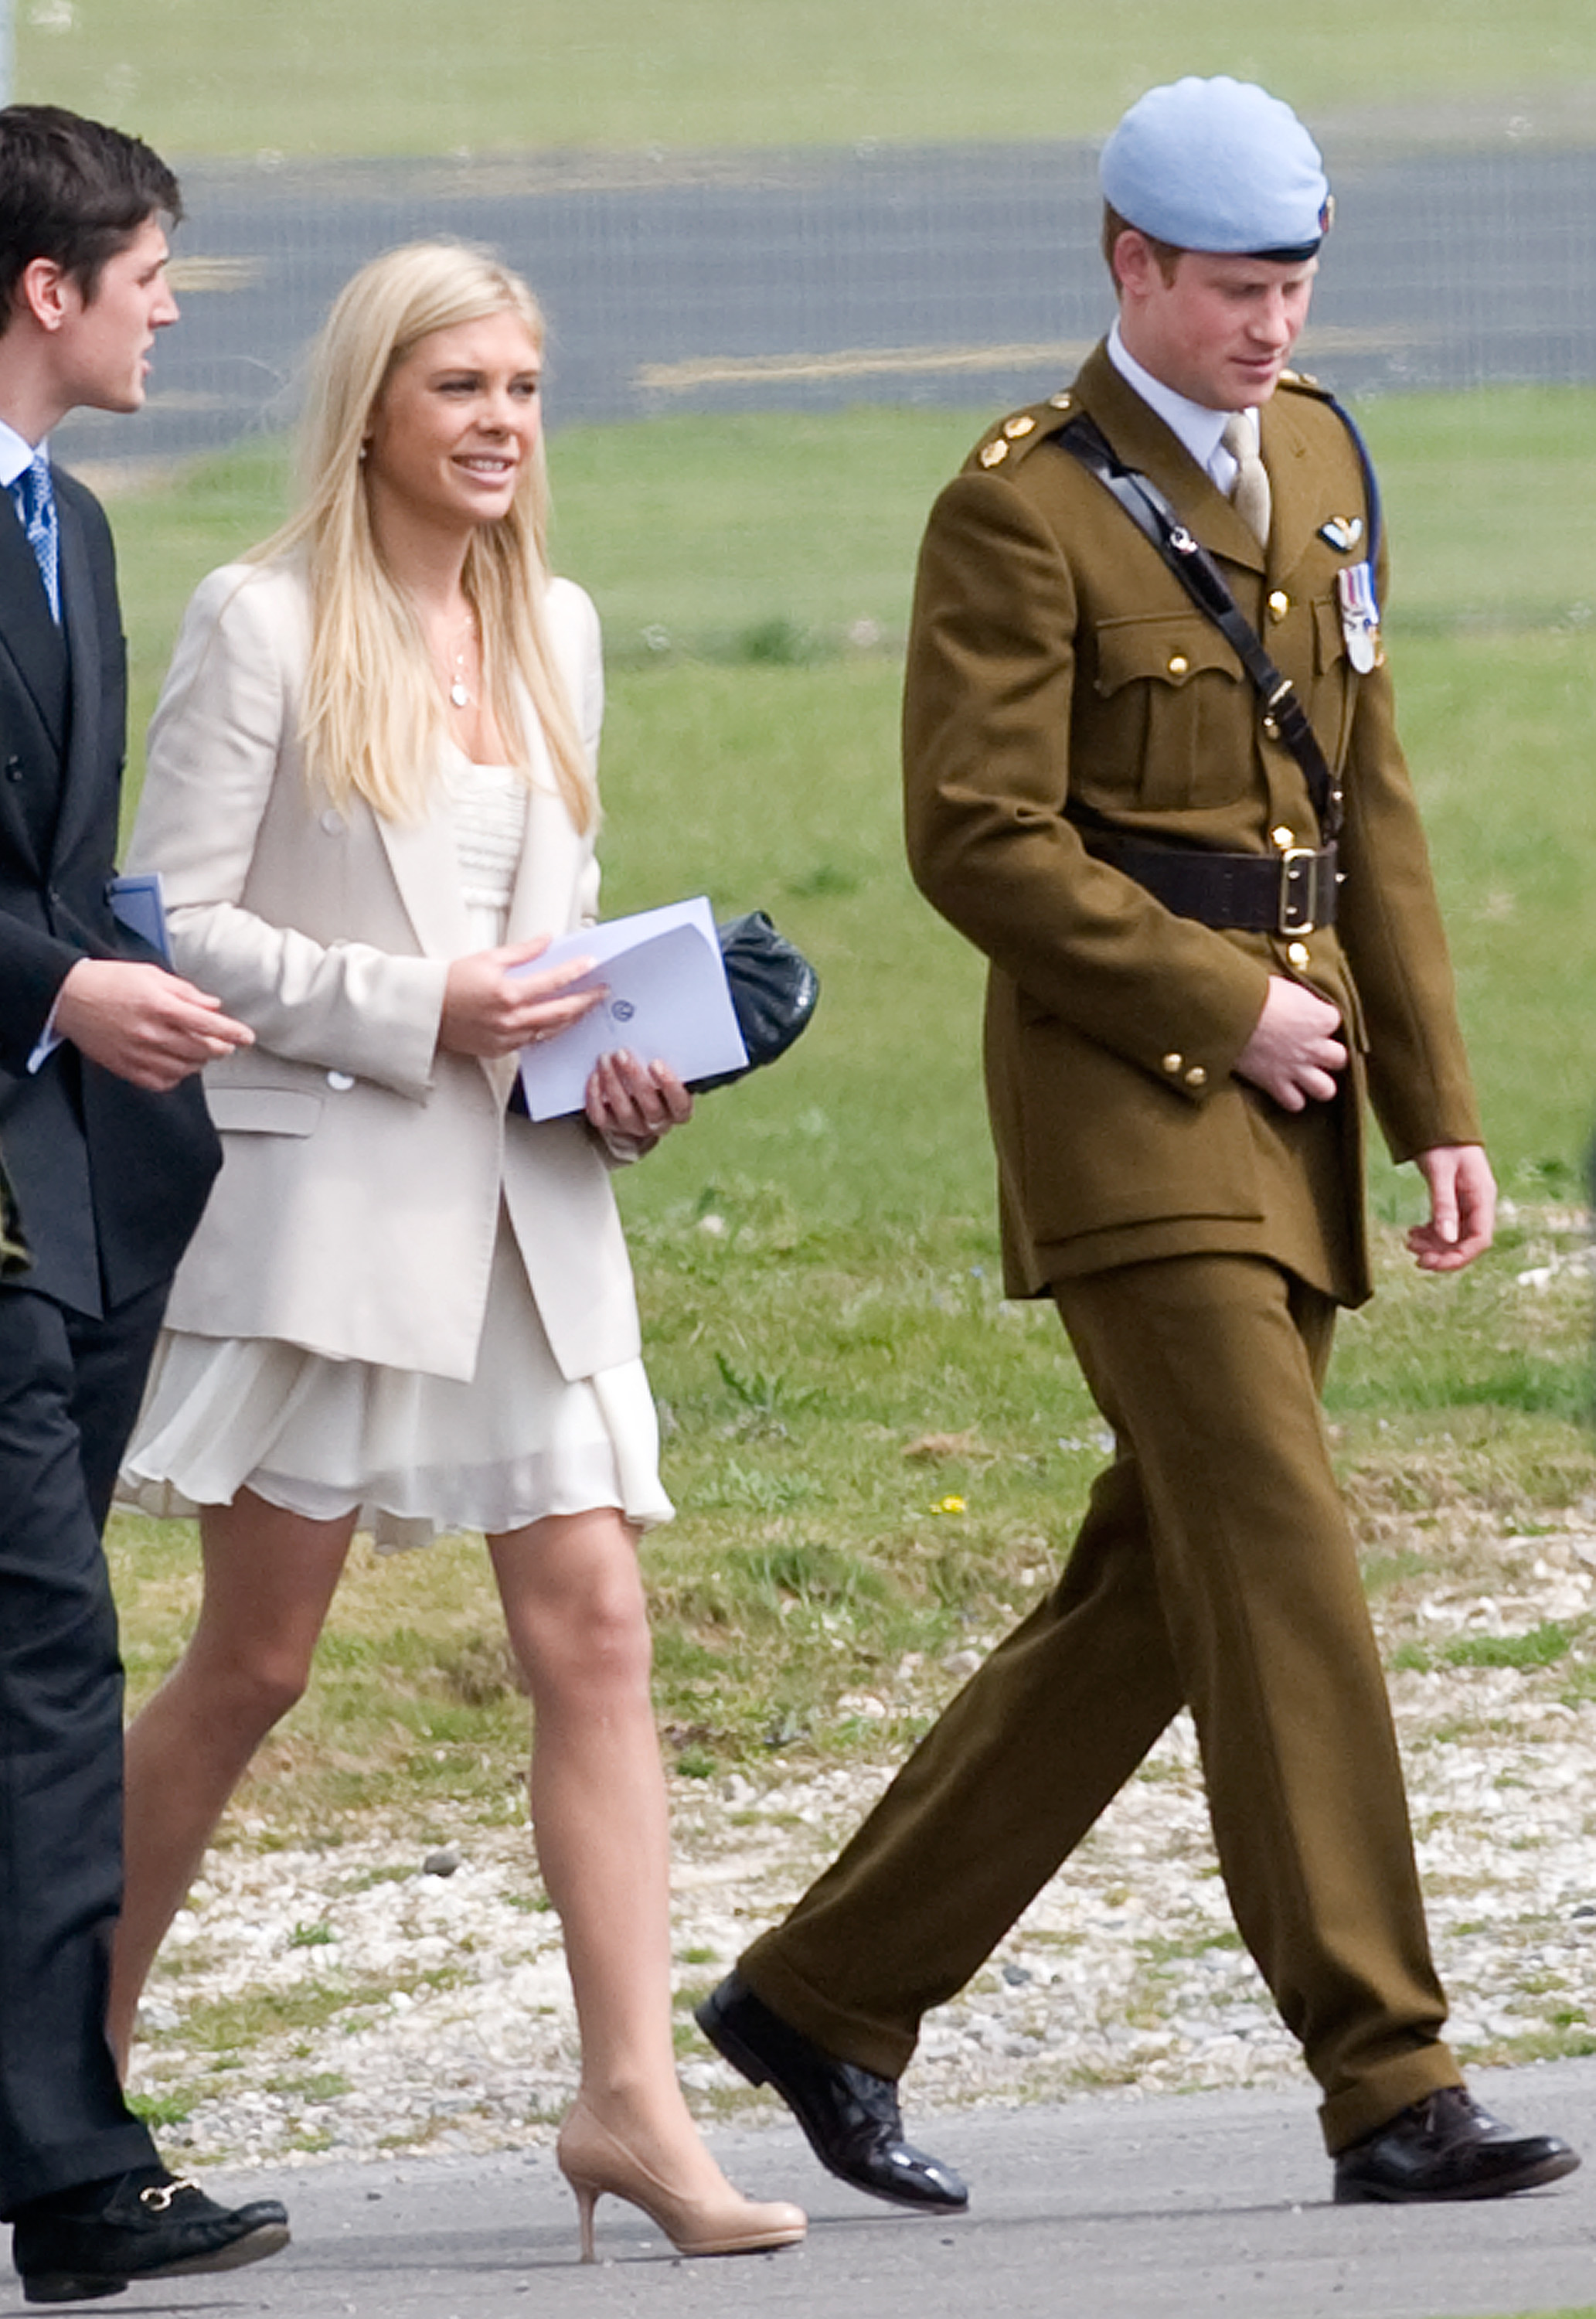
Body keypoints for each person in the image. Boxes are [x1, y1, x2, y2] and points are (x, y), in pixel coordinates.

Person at [697, 77, 1579, 2212]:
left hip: (1296, 1107)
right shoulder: (1018, 506)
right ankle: (1388, 2076)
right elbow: (971, 838)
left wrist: (1433, 1102)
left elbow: (1365, 799)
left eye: (1292, 284)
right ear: (1128, 270)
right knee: (1280, 1560)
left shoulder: (1321, 456)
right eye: (1230, 289)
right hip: (1128, 1106)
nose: (1270, 324)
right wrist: (1221, 1006)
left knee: (1160, 1593)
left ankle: (821, 1997)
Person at [110, 238, 806, 2266]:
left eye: (521, 387)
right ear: (372, 411)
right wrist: (427, 1006)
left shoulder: (557, 630)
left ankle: (629, 2102)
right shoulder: (259, 624)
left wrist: (616, 1067)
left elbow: (555, 952)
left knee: (594, 1628)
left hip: (528, 1211)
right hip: (334, 1209)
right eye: (460, 390)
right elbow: (173, 923)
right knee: (254, 1660)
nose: (502, 423)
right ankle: (57, 2057)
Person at [0, 104, 291, 2304]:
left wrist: (162, 1004)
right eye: (151, 271)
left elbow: (79, 871)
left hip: (75, 1193)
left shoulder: (75, 534)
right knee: (45, 1667)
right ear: (49, 289)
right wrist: (60, 985)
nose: (172, 308)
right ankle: (74, 2174)